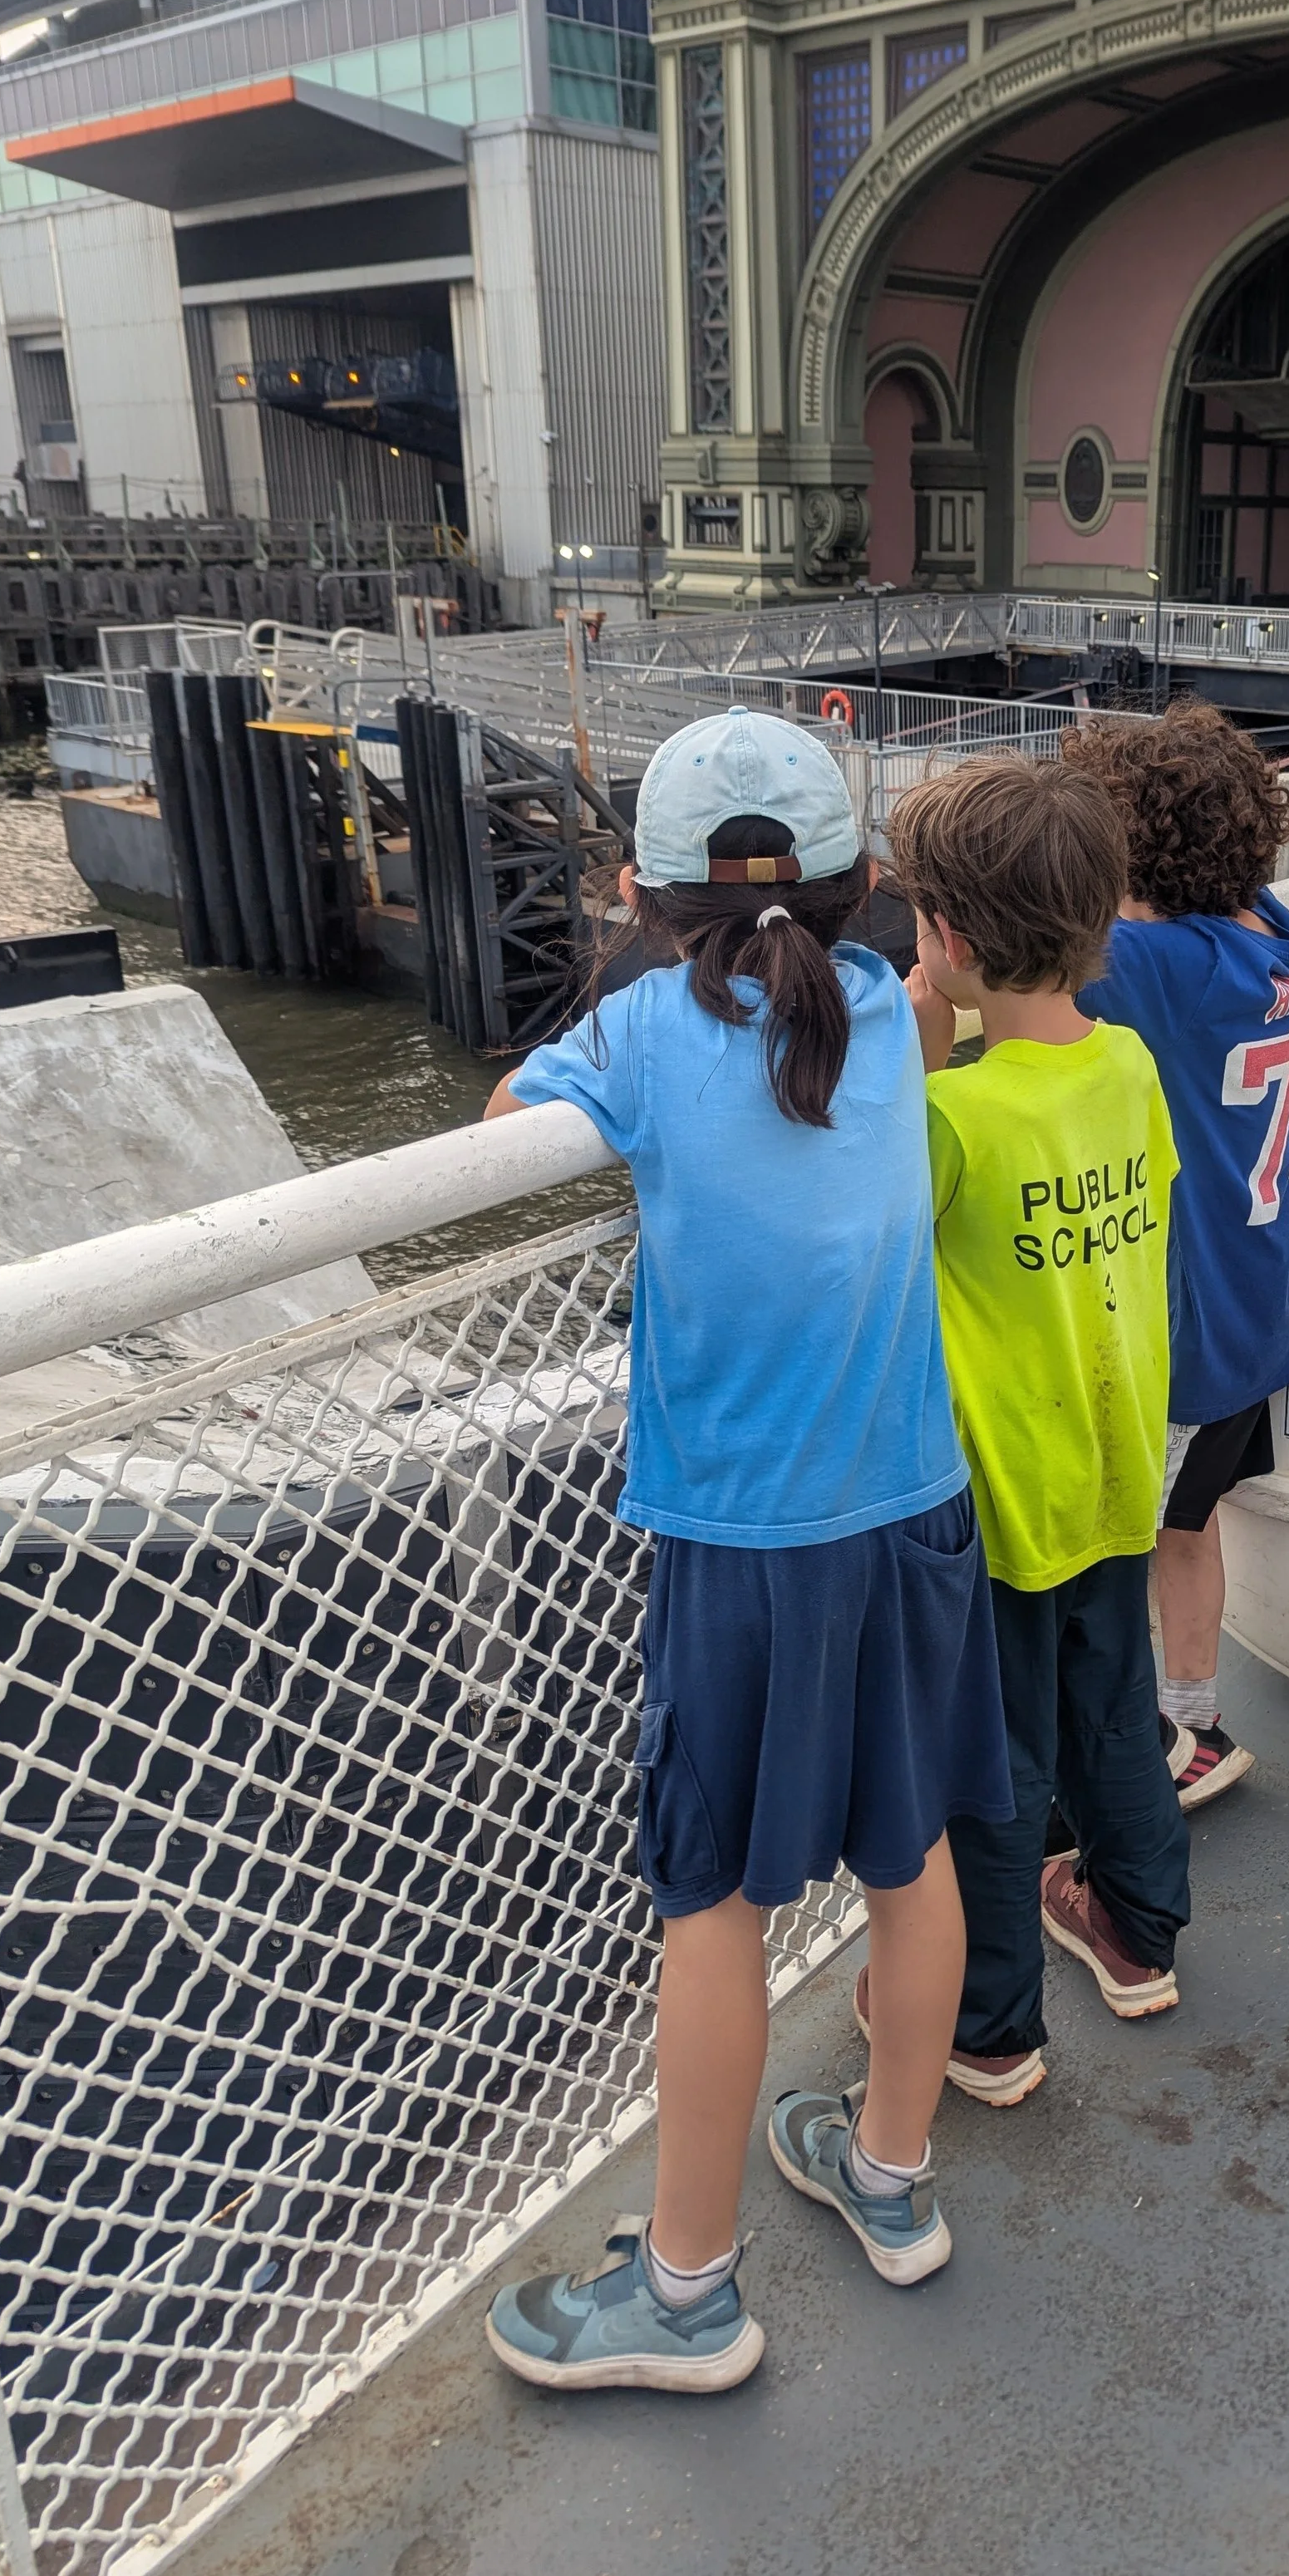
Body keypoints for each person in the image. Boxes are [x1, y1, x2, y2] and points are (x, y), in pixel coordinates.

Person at [481, 706, 1011, 2393]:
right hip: (915, 1508)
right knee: (907, 1845)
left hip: (745, 1539)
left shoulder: (633, 1035)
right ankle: (889, 2180)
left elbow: (507, 1123)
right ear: (859, 884)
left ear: (638, 888)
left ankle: (691, 2291)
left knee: (706, 1898)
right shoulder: (881, 1004)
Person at [882, 755, 1191, 2110]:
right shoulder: (1126, 1067)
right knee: (1117, 1712)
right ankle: (1137, 1929)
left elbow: (873, 1241)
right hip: (1121, 1474)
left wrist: (916, 1060)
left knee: (990, 1780)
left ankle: (991, 2027)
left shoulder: (942, 1117)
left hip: (999, 1504)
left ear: (944, 941)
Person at [1061, 703, 1289, 1807]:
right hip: (1263, 1294)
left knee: (1118, 1547)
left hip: (1190, 1326)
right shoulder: (1275, 934)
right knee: (1187, 1521)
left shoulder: (1151, 965)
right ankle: (1195, 1718)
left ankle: (1147, 1755)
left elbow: (1031, 954)